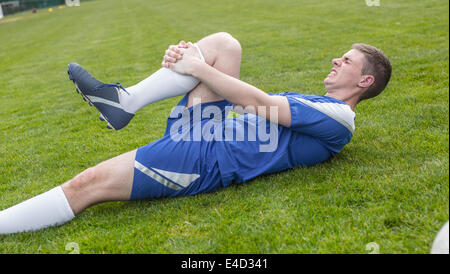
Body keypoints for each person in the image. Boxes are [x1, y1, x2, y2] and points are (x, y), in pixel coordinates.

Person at [0, 32, 391, 234]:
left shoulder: (339, 119)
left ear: (365, 80)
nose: (336, 60)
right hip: (208, 130)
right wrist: (189, 60)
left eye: (347, 61)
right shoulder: (318, 103)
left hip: (205, 159)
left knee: (88, 184)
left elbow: (256, 103)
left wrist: (196, 68)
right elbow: (244, 103)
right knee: (224, 44)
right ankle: (126, 101)